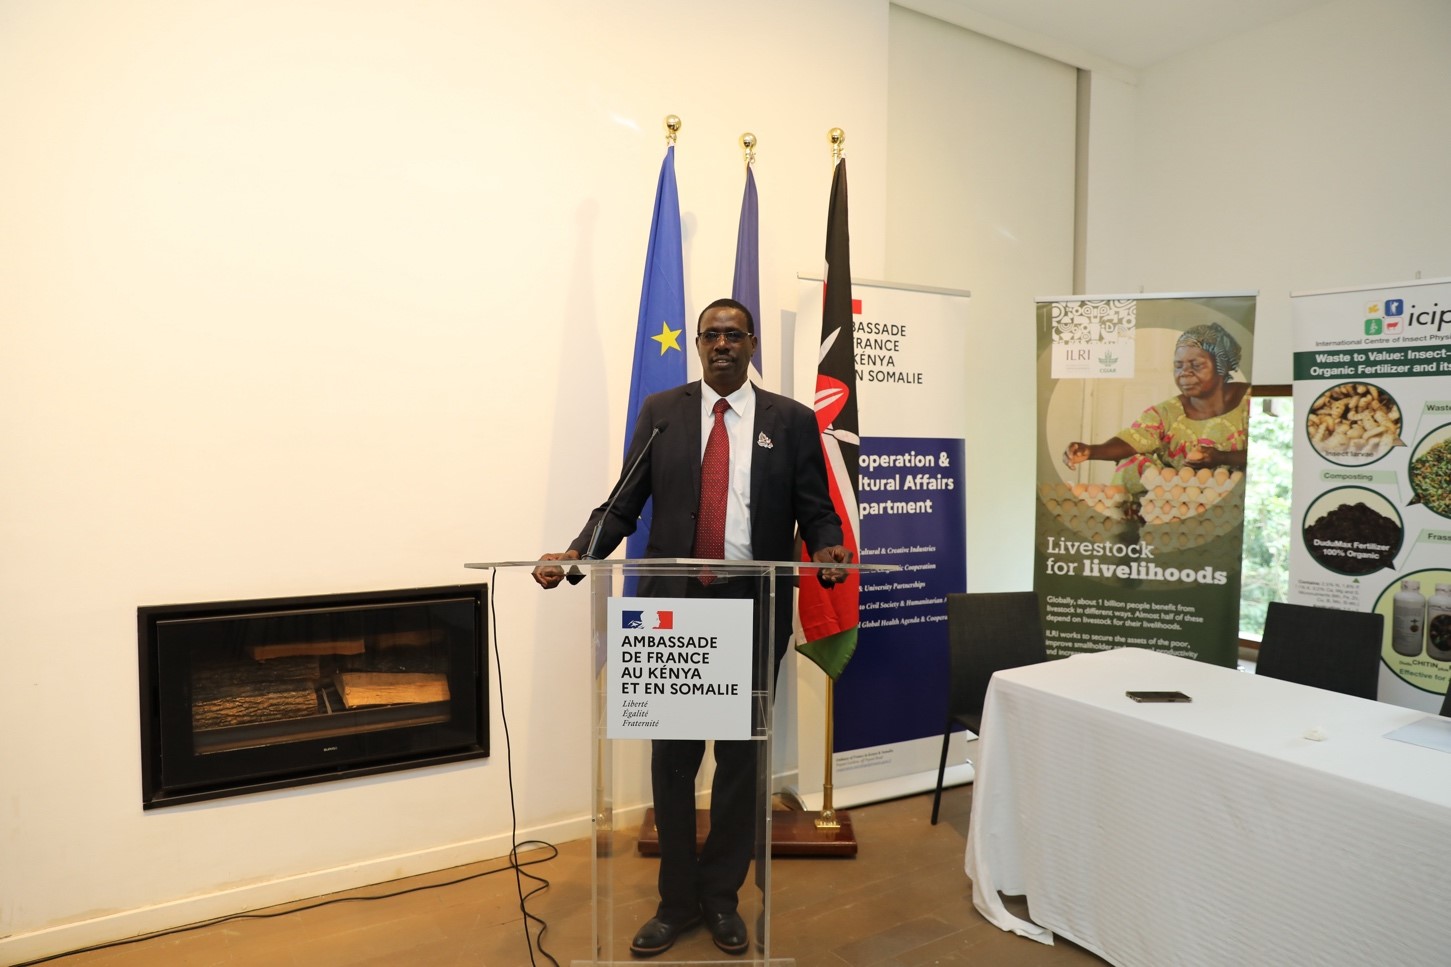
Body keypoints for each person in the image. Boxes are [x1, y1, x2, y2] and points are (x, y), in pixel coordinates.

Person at [534, 297, 849, 958]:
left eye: (734, 334)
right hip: (672, 611)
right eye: (710, 334)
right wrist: (577, 552)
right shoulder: (662, 413)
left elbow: (815, 509)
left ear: (751, 342)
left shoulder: (790, 420)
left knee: (740, 761)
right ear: (698, 345)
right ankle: (676, 900)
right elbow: (623, 500)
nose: (721, 344)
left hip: (751, 607)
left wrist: (823, 548)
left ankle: (722, 897)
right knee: (673, 759)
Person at [1061, 322, 1249, 493]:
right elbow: (1133, 440)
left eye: (1196, 365)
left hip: (1239, 504)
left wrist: (1223, 458)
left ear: (1221, 366)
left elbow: (1270, 455)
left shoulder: (1250, 402)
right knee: (1132, 463)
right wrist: (1091, 451)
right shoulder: (1168, 412)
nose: (1184, 373)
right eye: (1178, 366)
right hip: (1180, 505)